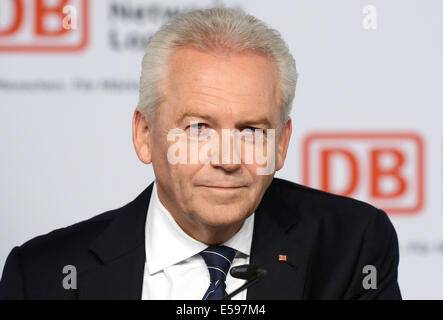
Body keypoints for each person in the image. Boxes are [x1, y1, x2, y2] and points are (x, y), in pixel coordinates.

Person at [0, 7, 401, 300]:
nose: (227, 159)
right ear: (144, 135)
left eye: (251, 130)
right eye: (198, 128)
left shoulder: (352, 247)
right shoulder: (41, 276)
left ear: (281, 143)